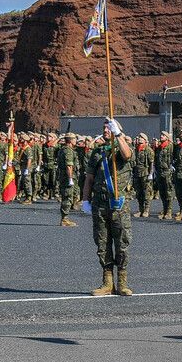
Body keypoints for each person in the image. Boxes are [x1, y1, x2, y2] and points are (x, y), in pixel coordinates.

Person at [81, 119, 135, 296]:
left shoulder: (122, 148)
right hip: (100, 203)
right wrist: (85, 200)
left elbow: (127, 155)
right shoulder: (97, 152)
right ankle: (107, 283)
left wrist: (118, 134)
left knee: (121, 242)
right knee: (102, 243)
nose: (105, 129)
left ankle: (122, 283)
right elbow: (89, 178)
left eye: (108, 127)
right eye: (104, 127)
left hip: (119, 204)